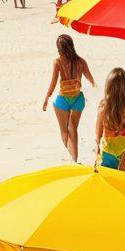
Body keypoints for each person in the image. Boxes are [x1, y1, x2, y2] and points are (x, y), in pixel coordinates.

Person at [42, 34, 95, 163]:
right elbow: (90, 78)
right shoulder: (81, 61)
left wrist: (47, 97)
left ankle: (72, 157)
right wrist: (94, 87)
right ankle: (74, 158)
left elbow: (53, 82)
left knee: (64, 130)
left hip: (63, 100)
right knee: (73, 129)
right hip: (78, 99)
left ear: (60, 48)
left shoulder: (58, 62)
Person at [95, 68, 125, 171]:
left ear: (108, 86)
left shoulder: (103, 106)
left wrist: (97, 152)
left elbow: (98, 133)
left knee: (108, 182)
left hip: (107, 150)